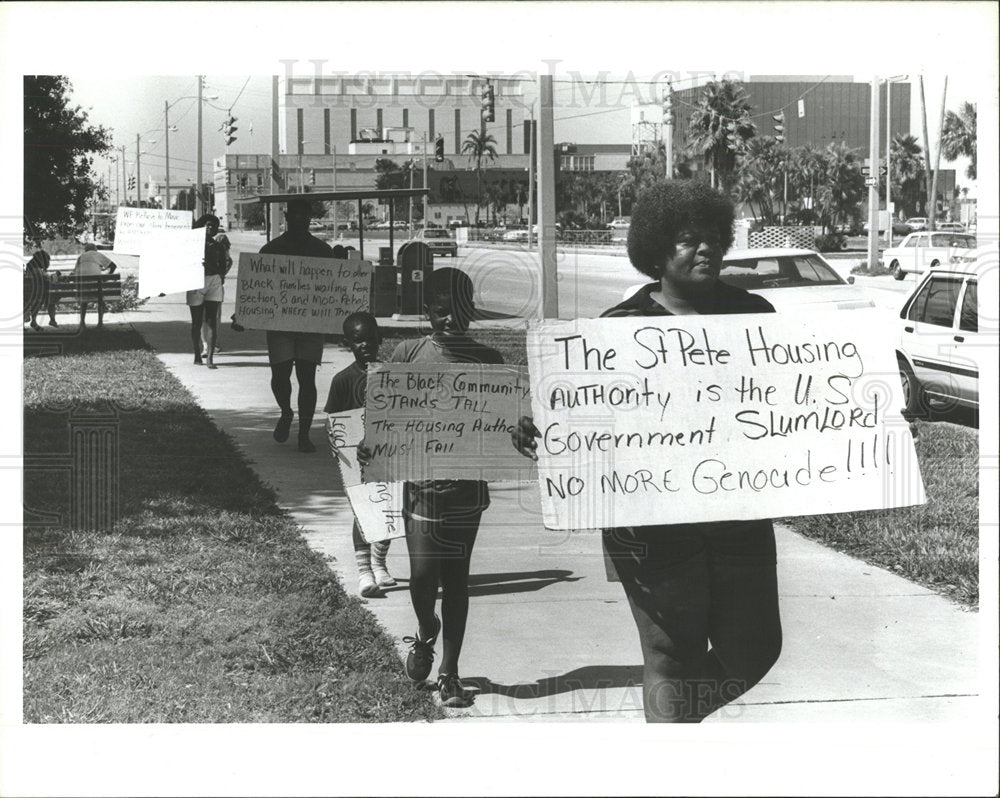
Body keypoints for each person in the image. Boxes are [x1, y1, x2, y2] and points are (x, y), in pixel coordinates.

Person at [512, 181, 782, 723]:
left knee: (756, 649)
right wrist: (546, 429)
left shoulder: (757, 315)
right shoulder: (614, 330)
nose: (705, 249)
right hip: (651, 523)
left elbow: (800, 402)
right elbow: (582, 419)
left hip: (737, 515)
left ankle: (674, 726)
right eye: (688, 239)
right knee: (670, 652)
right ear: (656, 248)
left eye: (712, 238)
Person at [359, 268, 502, 708]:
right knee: (423, 577)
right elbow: (382, 414)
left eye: (459, 313)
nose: (450, 322)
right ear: (428, 313)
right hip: (421, 488)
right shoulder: (407, 354)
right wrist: (371, 444)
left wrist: (519, 432)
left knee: (457, 581)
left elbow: (504, 425)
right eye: (441, 313)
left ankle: (450, 673)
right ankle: (425, 632)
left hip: (467, 492)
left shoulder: (489, 362)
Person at [323, 312, 395, 598]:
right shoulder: (342, 381)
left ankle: (379, 562)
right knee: (363, 514)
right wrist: (341, 454)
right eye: (357, 341)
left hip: (390, 456)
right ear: (347, 344)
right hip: (357, 460)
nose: (365, 345)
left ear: (380, 339)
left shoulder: (393, 377)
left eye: (369, 339)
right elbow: (334, 424)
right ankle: (364, 572)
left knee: (390, 511)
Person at [259, 198, 336, 453]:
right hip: (280, 322)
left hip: (311, 324)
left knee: (307, 378)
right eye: (296, 214)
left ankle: (304, 433)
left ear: (310, 217)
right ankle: (285, 411)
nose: (301, 219)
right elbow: (258, 288)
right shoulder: (271, 250)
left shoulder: (323, 251)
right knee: (280, 375)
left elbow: (333, 290)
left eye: (306, 214)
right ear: (287, 216)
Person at [186, 214, 227, 369]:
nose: (211, 228)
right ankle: (197, 354)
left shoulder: (219, 246)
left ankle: (210, 358)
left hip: (214, 282)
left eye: (214, 226)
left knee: (212, 321)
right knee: (196, 322)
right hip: (196, 282)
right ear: (201, 226)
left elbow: (223, 264)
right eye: (208, 225)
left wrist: (220, 276)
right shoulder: (192, 244)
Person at [201, 220, 233, 357]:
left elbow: (226, 265)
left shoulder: (219, 247)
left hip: (214, 285)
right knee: (205, 317)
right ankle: (207, 345)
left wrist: (220, 274)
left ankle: (210, 344)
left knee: (212, 317)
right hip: (202, 284)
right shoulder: (197, 245)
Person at [73, 243, 117, 329]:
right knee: (100, 300)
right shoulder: (97, 254)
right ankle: (100, 323)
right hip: (96, 290)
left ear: (85, 250)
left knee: (83, 301)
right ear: (95, 249)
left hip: (82, 290)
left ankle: (82, 323)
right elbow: (113, 266)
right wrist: (106, 277)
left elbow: (74, 273)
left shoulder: (81, 257)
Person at [24, 250, 58, 331]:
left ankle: (34, 322)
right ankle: (34, 321)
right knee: (44, 299)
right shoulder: (37, 271)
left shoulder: (30, 268)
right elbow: (49, 279)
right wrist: (57, 275)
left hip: (27, 294)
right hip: (34, 296)